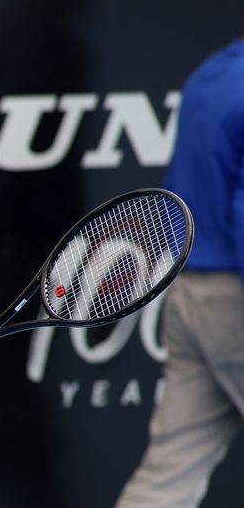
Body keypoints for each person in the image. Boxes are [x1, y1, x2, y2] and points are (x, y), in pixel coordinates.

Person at [115, 37, 244, 507]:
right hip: (236, 300)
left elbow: (176, 197)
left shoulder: (210, 74)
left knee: (168, 476)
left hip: (190, 294)